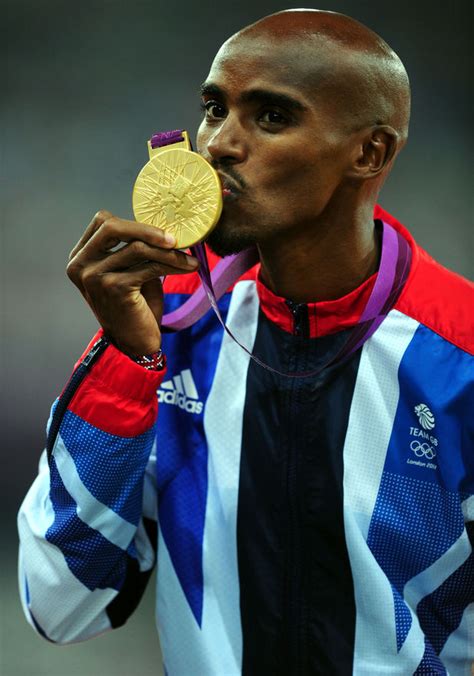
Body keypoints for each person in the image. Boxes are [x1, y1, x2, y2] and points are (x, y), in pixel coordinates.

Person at [18, 8, 473, 675]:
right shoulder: (164, 328)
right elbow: (60, 602)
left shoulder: (458, 358)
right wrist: (127, 361)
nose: (219, 144)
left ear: (368, 152)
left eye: (270, 117)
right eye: (213, 109)